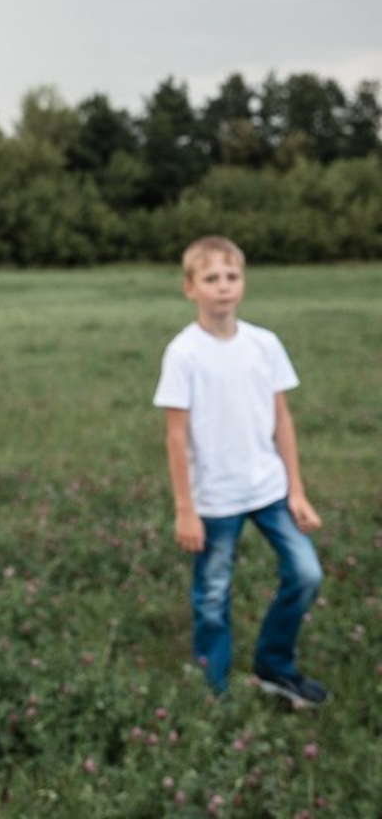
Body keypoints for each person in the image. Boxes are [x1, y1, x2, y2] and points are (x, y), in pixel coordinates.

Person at [152, 234, 326, 705]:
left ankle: (275, 666)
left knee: (307, 574)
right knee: (212, 596)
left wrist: (297, 491)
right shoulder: (184, 352)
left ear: (243, 282)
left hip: (269, 489)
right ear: (190, 287)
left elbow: (281, 420)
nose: (223, 286)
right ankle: (213, 689)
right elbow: (175, 436)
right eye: (211, 278)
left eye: (232, 276)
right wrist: (185, 509)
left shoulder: (264, 344)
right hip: (214, 500)